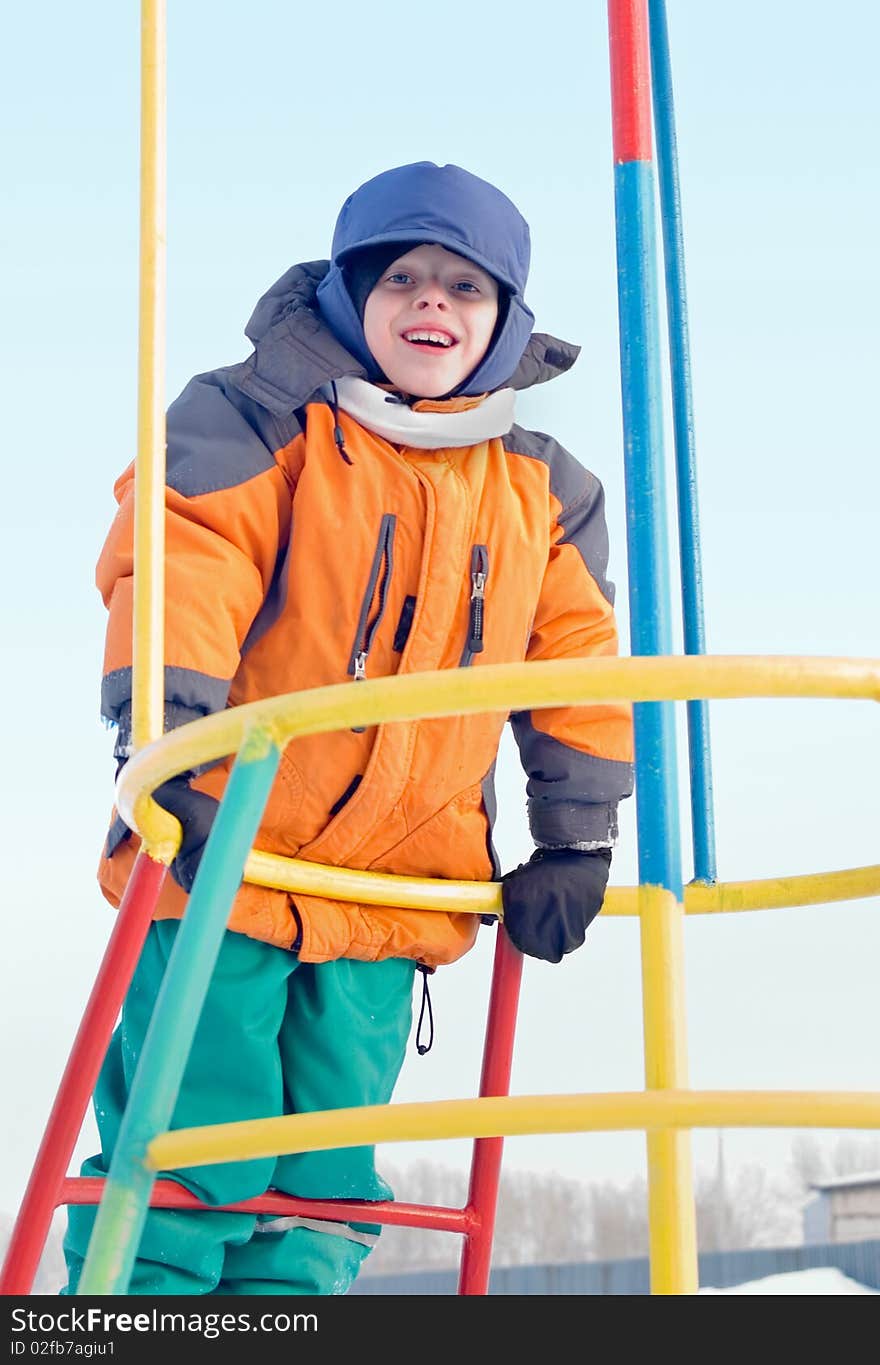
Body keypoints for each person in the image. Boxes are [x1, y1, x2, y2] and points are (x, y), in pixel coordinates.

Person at [62, 161, 634, 1295]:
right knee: (194, 1142)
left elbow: (573, 660)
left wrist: (575, 838)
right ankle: (143, 1310)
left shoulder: (541, 486)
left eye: (465, 289)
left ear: (504, 320)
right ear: (349, 296)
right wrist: (169, 745)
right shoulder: (254, 418)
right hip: (232, 848)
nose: (433, 303)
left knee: (328, 1168)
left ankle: (289, 1314)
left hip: (397, 889)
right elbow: (187, 565)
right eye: (402, 277)